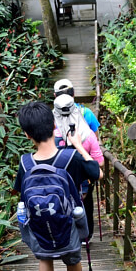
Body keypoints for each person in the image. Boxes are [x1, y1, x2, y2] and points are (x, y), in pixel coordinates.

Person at [14, 101, 103, 271]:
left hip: (40, 227)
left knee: (45, 259)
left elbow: (20, 191)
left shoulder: (25, 164)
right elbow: (97, 173)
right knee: (73, 258)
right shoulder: (71, 157)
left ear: (27, 135)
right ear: (54, 125)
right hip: (70, 225)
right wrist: (78, 147)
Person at [52, 93, 104, 241]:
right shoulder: (88, 135)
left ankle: (65, 236)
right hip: (83, 184)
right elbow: (99, 163)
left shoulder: (49, 137)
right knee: (85, 207)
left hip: (58, 186)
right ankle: (85, 236)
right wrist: (80, 148)